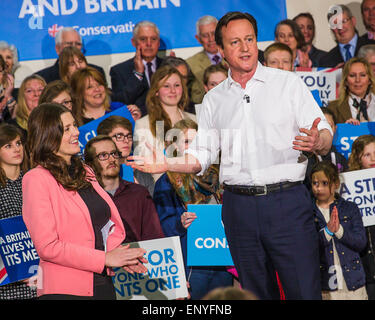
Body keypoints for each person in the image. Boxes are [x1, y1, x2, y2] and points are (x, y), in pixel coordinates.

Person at [130, 11, 333, 300]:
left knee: (303, 291)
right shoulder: (214, 99)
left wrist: (318, 140)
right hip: (239, 209)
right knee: (255, 294)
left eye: (249, 39)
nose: (245, 47)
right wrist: (165, 163)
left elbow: (323, 132)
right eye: (235, 42)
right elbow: (201, 154)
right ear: (221, 51)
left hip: (287, 204)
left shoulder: (288, 84)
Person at [22, 103, 147, 299]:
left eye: (74, 125)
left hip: (103, 284)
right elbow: (48, 247)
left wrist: (120, 257)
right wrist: (105, 258)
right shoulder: (36, 179)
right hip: (63, 290)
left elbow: (98, 228)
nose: (76, 132)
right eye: (67, 129)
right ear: (48, 135)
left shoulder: (86, 171)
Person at [153, 119, 233, 300]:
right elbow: (163, 228)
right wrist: (180, 223)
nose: (193, 147)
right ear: (174, 147)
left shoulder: (219, 176)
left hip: (222, 258)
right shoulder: (166, 182)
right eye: (187, 142)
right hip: (190, 262)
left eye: (198, 142)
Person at [84, 134, 164, 243]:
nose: (111, 159)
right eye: (103, 155)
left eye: (114, 153)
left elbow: (155, 238)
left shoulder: (139, 193)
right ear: (90, 164)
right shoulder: (84, 198)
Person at [311, 161, 367, 300]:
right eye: (315, 183)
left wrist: (339, 230)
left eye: (324, 183)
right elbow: (308, 247)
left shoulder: (350, 208)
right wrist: (328, 231)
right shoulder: (308, 213)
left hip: (353, 282)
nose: (318, 188)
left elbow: (361, 243)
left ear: (336, 184)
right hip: (327, 284)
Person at [133, 65, 196, 183]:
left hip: (196, 190)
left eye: (177, 85)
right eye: (166, 86)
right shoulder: (143, 125)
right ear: (156, 91)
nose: (173, 91)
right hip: (162, 189)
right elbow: (145, 165)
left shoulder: (195, 120)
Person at [0, 124, 36, 300]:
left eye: (18, 143)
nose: (17, 149)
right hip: (8, 279)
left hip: (40, 270)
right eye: (8, 145)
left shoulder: (35, 181)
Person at [110, 21, 164, 116]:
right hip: (139, 124)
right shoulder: (119, 71)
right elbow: (121, 103)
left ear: (158, 43)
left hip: (168, 122)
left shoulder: (168, 66)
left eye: (153, 39)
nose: (149, 43)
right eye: (143, 39)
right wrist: (138, 74)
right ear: (134, 42)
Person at [97, 115, 155, 195]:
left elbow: (152, 205)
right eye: (119, 136)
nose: (126, 140)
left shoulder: (142, 172)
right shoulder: (98, 178)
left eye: (129, 136)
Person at [348, 134, 375, 299]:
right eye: (367, 155)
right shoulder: (348, 185)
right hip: (364, 266)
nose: (373, 159)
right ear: (358, 158)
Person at [70, 67, 139, 126]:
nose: (97, 89)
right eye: (90, 87)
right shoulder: (73, 121)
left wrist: (135, 121)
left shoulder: (119, 108)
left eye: (99, 84)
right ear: (79, 93)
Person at [35, 27, 105, 84]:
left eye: (78, 44)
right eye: (69, 44)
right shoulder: (42, 78)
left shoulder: (96, 72)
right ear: (57, 48)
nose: (74, 47)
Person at [304, 108, 348, 193]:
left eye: (328, 126)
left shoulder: (340, 159)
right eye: (320, 126)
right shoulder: (303, 160)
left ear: (335, 128)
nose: (324, 131)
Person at [186, 15, 224, 104]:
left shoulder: (235, 56)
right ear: (198, 39)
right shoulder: (190, 64)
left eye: (213, 33)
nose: (211, 39)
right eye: (205, 35)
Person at [327, 57, 375, 124]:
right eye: (352, 75)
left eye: (362, 75)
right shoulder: (333, 107)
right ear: (346, 81)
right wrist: (345, 129)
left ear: (369, 79)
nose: (357, 80)